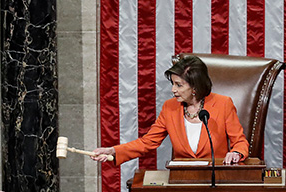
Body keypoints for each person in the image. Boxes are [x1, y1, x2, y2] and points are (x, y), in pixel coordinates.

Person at [92, 54, 249, 166]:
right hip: (182, 180)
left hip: (217, 177)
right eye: (173, 84)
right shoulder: (170, 108)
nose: (173, 90)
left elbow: (240, 141)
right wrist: (113, 151)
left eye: (179, 85)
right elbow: (147, 142)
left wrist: (236, 153)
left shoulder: (223, 104)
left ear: (195, 86)